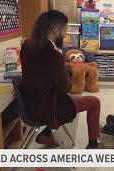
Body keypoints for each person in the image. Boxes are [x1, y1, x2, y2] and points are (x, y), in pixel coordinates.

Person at [20, 10, 103, 148]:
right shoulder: (54, 54)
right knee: (94, 102)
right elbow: (66, 88)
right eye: (64, 30)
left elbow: (42, 74)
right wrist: (67, 72)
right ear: (55, 30)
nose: (65, 34)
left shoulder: (27, 45)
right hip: (47, 107)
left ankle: (47, 133)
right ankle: (93, 145)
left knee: (67, 98)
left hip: (30, 102)